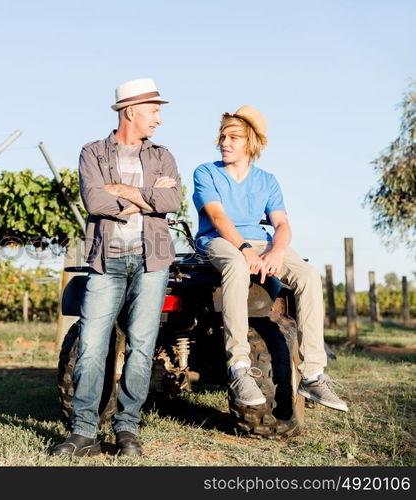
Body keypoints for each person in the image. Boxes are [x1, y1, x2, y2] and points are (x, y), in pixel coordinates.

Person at [50, 78, 183, 457]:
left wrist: (122, 191)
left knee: (142, 347)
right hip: (106, 260)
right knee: (92, 344)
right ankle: (83, 431)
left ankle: (127, 429)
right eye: (153, 110)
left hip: (151, 259)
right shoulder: (92, 152)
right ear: (131, 111)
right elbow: (94, 200)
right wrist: (146, 198)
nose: (158, 119)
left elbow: (172, 197)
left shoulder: (162, 154)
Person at [192, 105, 348, 412]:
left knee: (307, 275)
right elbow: (216, 216)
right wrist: (245, 248)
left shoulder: (267, 180)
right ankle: (239, 367)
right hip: (220, 241)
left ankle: (314, 374)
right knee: (237, 265)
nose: (225, 142)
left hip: (262, 242)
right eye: (222, 136)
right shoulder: (206, 172)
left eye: (233, 137)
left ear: (251, 142)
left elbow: (282, 224)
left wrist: (276, 251)